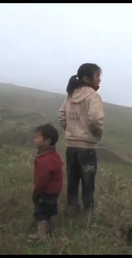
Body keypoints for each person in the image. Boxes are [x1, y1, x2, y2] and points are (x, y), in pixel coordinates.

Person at [58, 63, 105, 218]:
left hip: (71, 147)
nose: (100, 80)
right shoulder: (93, 96)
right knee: (88, 184)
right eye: (97, 76)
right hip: (87, 148)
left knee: (72, 182)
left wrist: (71, 131)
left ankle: (71, 211)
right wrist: (96, 136)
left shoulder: (71, 95)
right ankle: (88, 216)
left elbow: (62, 115)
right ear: (87, 78)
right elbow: (96, 120)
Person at [28, 124, 64, 241]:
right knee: (52, 209)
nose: (35, 140)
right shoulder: (55, 155)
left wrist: (37, 192)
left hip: (46, 191)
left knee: (41, 212)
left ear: (47, 141)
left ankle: (41, 235)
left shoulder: (44, 159)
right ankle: (54, 230)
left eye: (37, 137)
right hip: (55, 190)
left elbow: (42, 179)